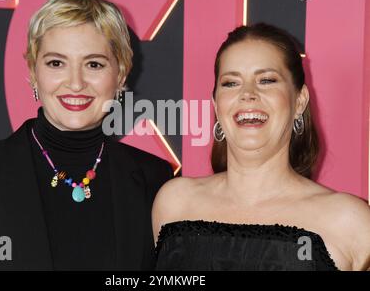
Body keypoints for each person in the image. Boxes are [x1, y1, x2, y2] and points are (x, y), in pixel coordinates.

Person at [0, 0, 172, 270]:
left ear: (121, 74)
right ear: (32, 72)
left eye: (94, 64)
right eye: (56, 63)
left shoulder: (156, 180)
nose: (75, 83)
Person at [152, 23, 370, 271]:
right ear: (215, 105)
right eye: (231, 83)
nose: (247, 94)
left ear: (300, 101)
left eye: (266, 80)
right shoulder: (175, 203)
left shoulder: (351, 222)